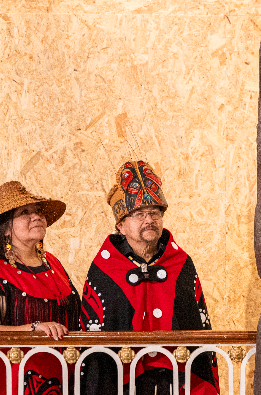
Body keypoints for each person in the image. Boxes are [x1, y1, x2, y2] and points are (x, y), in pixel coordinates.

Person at [80, 160, 219, 395]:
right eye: (139, 214)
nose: (149, 220)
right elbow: (93, 333)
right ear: (121, 226)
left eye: (154, 213)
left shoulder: (180, 263)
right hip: (121, 379)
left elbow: (197, 321)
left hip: (175, 377)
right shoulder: (104, 268)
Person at [0, 181, 81, 395]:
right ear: (5, 230)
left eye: (38, 211)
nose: (36, 216)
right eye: (24, 212)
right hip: (13, 382)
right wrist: (35, 327)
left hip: (65, 379)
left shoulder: (54, 265)